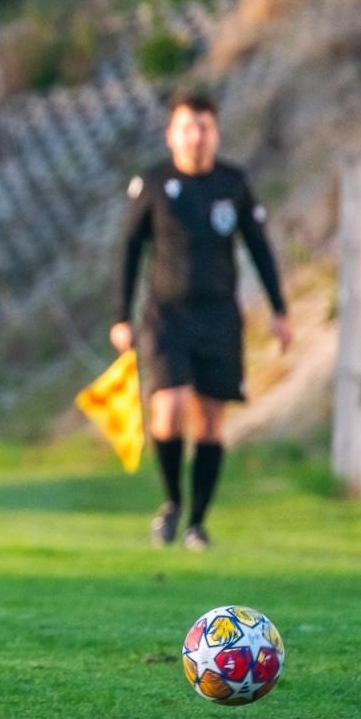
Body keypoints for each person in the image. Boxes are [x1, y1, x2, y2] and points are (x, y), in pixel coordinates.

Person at [111, 92, 290, 551]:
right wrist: (121, 316)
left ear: (216, 132)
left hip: (220, 318)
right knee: (168, 409)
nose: (197, 136)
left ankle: (197, 522)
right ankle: (171, 502)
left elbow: (259, 247)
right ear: (171, 135)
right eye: (187, 127)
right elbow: (131, 249)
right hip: (166, 316)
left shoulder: (233, 183)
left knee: (210, 421)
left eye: (205, 126)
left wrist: (279, 310)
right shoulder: (153, 184)